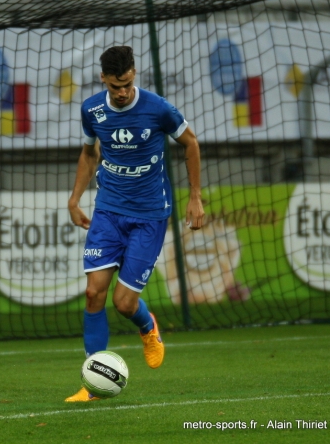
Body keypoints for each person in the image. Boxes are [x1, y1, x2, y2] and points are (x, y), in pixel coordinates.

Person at [65, 46, 204, 402]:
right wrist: (74, 198)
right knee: (94, 292)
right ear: (103, 80)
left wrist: (195, 196)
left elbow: (190, 143)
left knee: (124, 304)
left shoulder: (158, 108)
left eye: (127, 84)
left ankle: (147, 326)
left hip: (149, 215)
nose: (123, 92)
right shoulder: (92, 109)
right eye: (115, 87)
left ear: (134, 73)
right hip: (108, 211)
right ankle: (92, 383)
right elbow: (88, 152)